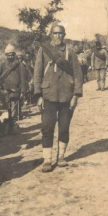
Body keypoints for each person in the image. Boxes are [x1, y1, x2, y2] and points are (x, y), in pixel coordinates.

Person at [34, 23, 83, 172]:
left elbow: (77, 74)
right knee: (47, 128)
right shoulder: (43, 51)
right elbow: (37, 74)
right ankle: (47, 160)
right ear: (50, 35)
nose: (57, 36)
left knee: (64, 128)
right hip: (48, 96)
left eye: (60, 33)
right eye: (54, 33)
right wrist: (38, 96)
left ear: (64, 35)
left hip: (66, 96)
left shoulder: (70, 53)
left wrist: (76, 95)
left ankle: (61, 156)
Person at [0, 44, 29, 133]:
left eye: (12, 54)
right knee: (4, 111)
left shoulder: (20, 65)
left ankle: (11, 128)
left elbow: (23, 78)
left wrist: (23, 91)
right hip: (4, 92)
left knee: (13, 112)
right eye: (8, 55)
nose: (10, 56)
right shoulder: (2, 64)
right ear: (6, 55)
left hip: (15, 91)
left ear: (14, 55)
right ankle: (2, 130)